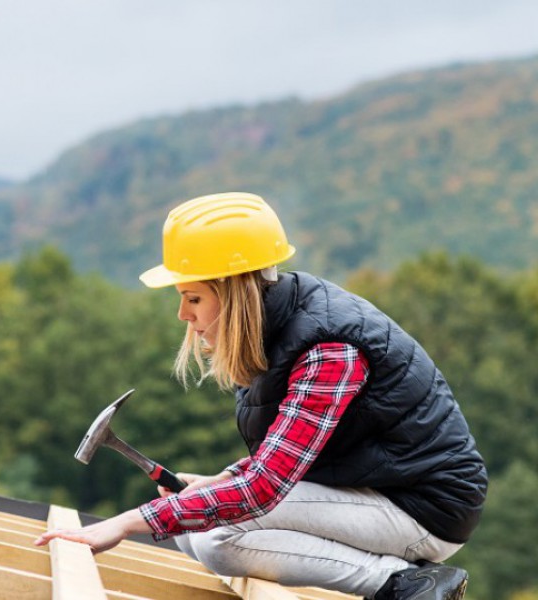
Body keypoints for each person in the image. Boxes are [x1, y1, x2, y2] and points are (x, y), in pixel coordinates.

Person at [35, 192, 487, 600]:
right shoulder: (280, 329)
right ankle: (394, 577)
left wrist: (127, 522)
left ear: (232, 292)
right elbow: (290, 452)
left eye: (192, 298)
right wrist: (222, 480)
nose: (182, 314)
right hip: (370, 491)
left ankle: (405, 584)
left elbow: (267, 487)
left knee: (216, 537)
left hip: (422, 509)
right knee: (192, 530)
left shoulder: (328, 350)